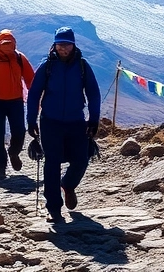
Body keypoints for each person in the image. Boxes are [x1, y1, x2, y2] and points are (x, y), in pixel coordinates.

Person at [26, 27, 100, 223]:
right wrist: (31, 120)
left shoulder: (83, 66)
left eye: (66, 44)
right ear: (54, 45)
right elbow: (34, 94)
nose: (63, 49)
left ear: (73, 45)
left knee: (81, 160)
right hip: (50, 122)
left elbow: (93, 94)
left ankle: (67, 184)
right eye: (59, 44)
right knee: (52, 163)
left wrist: (94, 120)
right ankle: (53, 208)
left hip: (76, 121)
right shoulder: (47, 66)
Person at [0, 29, 36, 181]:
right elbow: (31, 80)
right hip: (15, 101)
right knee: (19, 131)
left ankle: (0, 168)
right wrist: (35, 99)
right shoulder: (20, 58)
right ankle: (13, 152)